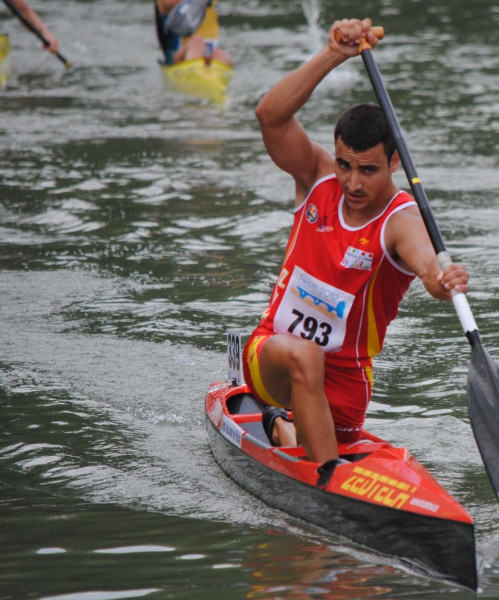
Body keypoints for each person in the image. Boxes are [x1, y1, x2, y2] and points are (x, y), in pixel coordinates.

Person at [246, 17, 469, 480]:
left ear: (393, 163)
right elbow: (270, 116)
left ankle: (287, 432)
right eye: (344, 164)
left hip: (346, 385)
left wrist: (444, 281)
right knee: (304, 353)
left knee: (318, 378)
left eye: (367, 170)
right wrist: (332, 54)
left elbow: (428, 267)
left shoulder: (401, 222)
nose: (351, 182)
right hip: (272, 358)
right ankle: (328, 479)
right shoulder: (316, 178)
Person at [154, 0, 232, 66]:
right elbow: (168, 4)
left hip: (211, 49)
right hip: (179, 53)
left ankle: (210, 75)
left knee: (220, 54)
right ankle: (195, 76)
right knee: (196, 42)